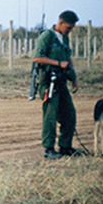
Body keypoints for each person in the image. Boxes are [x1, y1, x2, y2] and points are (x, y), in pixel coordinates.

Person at [33, 10, 83, 159]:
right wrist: (58, 63)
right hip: (48, 82)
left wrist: (74, 78)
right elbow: (37, 58)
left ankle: (65, 147)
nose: (70, 30)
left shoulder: (64, 38)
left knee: (69, 114)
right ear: (60, 23)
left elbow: (68, 57)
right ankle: (49, 149)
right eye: (68, 27)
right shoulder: (47, 37)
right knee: (50, 115)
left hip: (61, 82)